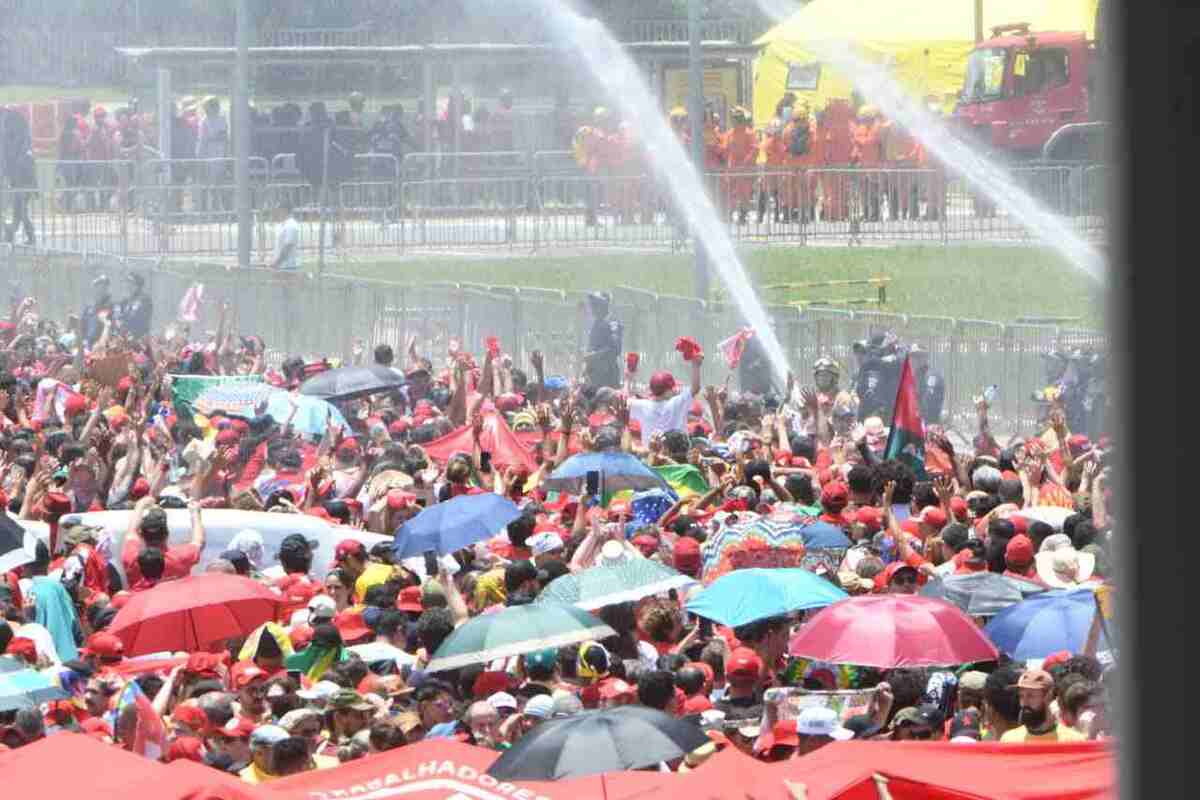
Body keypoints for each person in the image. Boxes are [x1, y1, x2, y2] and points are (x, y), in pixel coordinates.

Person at [628, 352, 703, 447]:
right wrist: (696, 365)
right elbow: (695, 388)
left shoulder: (641, 405)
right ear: (667, 390)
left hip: (650, 458)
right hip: (678, 457)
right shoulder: (676, 403)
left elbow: (625, 400)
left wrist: (630, 376)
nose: (674, 390)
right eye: (672, 388)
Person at [999, 668, 1088, 743]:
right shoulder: (1009, 740)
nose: (1024, 703)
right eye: (1021, 696)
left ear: (1049, 696)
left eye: (1030, 696)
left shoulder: (1073, 741)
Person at [582, 292, 622, 389]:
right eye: (592, 305)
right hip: (594, 374)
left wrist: (594, 355)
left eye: (596, 304)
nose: (592, 308)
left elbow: (615, 349)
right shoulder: (596, 323)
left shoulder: (612, 323)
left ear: (604, 306)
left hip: (607, 375)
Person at [270, 201, 301, 272]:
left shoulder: (291, 225)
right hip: (281, 266)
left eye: (278, 210)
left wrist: (277, 262)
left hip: (289, 266)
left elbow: (288, 246)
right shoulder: (281, 225)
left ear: (284, 210)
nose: (276, 213)